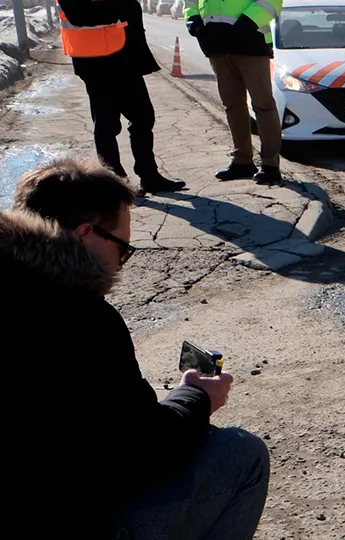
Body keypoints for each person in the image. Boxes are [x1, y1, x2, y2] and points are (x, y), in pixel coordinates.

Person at [1, 158, 270, 539]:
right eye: (122, 249)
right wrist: (196, 398)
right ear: (84, 234)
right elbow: (139, 455)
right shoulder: (83, 318)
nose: (121, 265)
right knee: (243, 454)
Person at [56, 0, 187, 194]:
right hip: (96, 60)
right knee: (107, 124)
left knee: (143, 117)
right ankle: (114, 182)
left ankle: (149, 176)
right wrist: (122, 7)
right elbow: (79, 15)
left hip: (123, 56)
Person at [183, 0, 284, 185]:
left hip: (250, 42)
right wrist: (194, 21)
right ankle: (242, 160)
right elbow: (189, 2)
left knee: (263, 105)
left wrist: (246, 24)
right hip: (216, 45)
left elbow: (271, 2)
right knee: (232, 105)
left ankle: (270, 166)